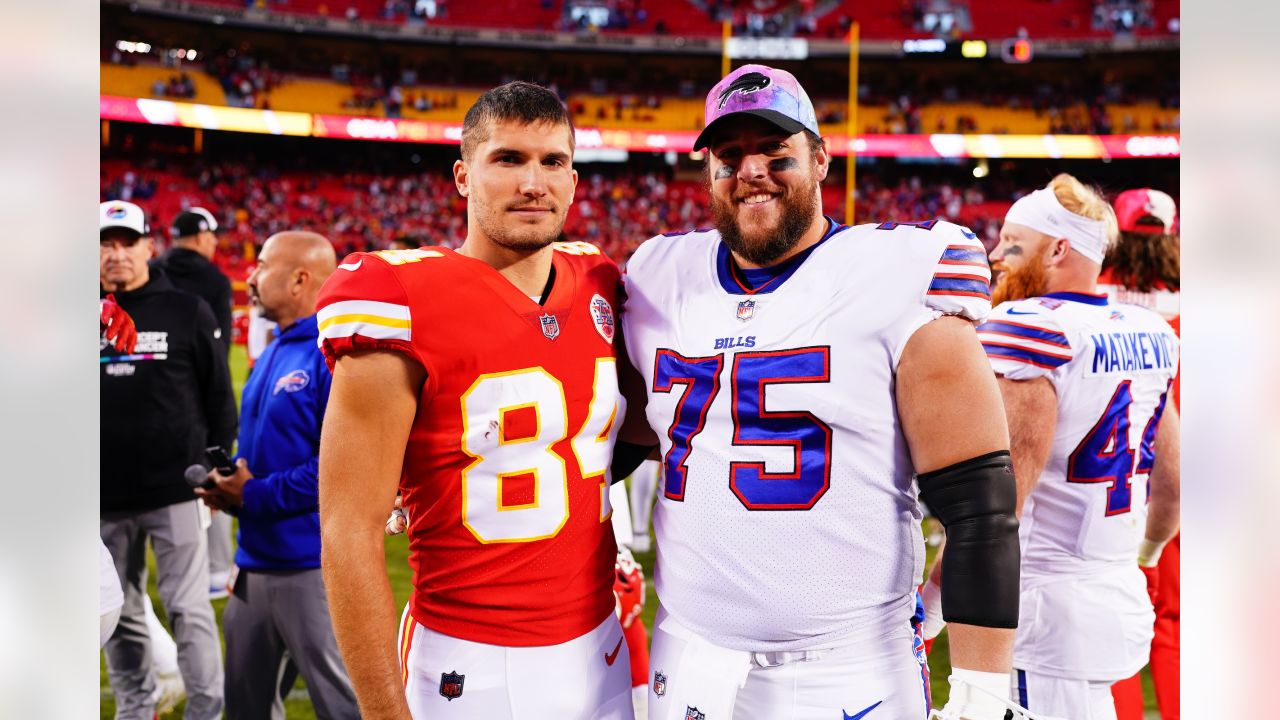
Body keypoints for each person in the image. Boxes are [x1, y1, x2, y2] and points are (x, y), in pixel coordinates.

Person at [619, 64, 1026, 720]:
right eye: (729, 156)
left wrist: (982, 697)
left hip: (849, 670)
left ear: (820, 160)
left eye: (776, 153)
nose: (751, 169)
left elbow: (980, 507)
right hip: (689, 660)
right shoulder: (657, 274)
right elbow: (611, 437)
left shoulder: (900, 271)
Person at [316, 81, 634, 719]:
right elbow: (348, 532)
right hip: (472, 661)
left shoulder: (599, 277)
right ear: (463, 176)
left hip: (601, 643)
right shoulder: (397, 296)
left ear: (574, 180)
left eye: (553, 162)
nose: (533, 183)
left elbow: (605, 443)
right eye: (508, 159)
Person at [976, 175, 1180, 719]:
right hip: (1118, 596)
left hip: (1043, 606)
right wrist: (1144, 556)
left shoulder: (1029, 326)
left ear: (1059, 248)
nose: (997, 254)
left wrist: (930, 603)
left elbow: (998, 509)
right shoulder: (1151, 329)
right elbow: (1174, 484)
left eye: (1012, 241)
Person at [194, 231, 359, 720]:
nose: (250, 275)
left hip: (310, 565)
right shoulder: (272, 354)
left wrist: (256, 494)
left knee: (344, 705)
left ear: (299, 280)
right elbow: (267, 457)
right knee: (246, 707)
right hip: (253, 563)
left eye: (262, 265)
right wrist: (231, 489)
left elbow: (342, 469)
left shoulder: (334, 356)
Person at [100, 200, 236, 720]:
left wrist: (219, 467)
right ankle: (137, 708)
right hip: (102, 496)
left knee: (188, 608)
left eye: (126, 242)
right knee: (121, 612)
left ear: (147, 248)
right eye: (105, 244)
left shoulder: (185, 310)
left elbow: (218, 396)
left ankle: (206, 711)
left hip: (176, 488)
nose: (117, 254)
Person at [1098, 188, 1180, 720]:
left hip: (1109, 486)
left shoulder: (1085, 297)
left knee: (1113, 624)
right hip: (1187, 489)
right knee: (1177, 621)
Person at [157, 207, 237, 598]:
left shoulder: (154, 269)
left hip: (156, 391)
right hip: (199, 393)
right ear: (204, 237)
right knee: (215, 475)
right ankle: (217, 570)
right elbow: (218, 350)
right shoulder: (214, 279)